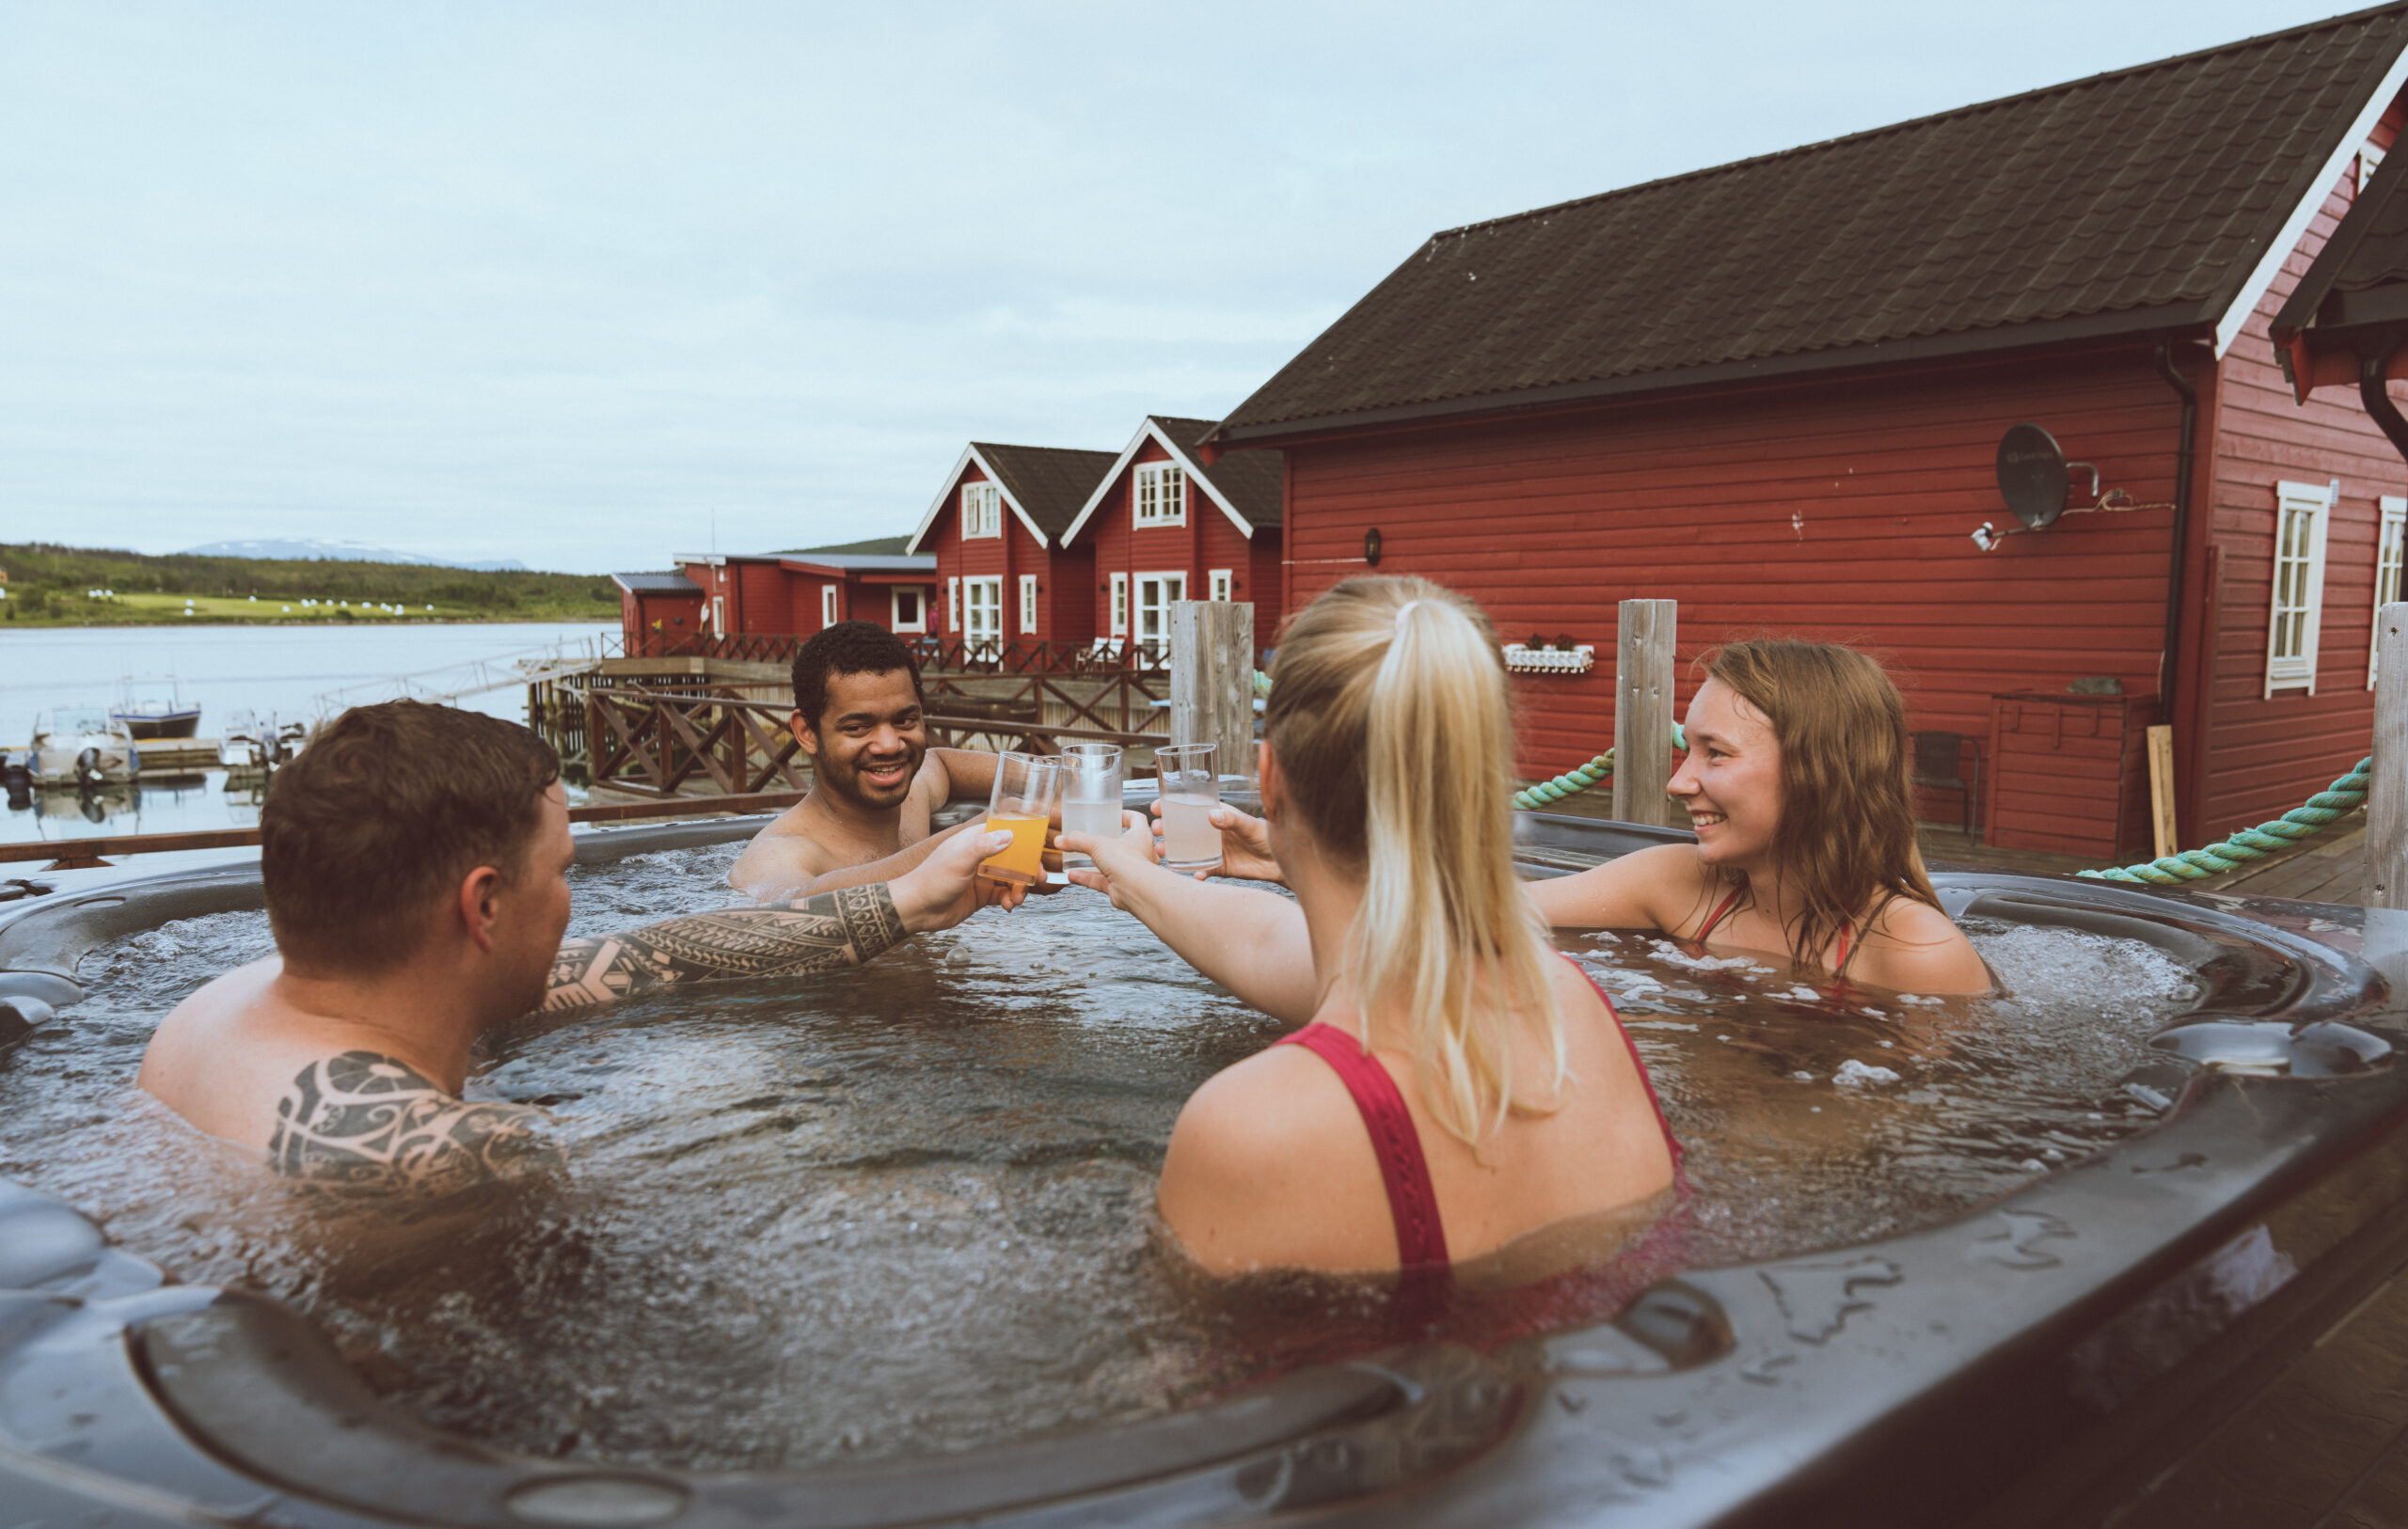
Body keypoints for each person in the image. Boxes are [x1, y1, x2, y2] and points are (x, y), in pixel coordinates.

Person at [137, 701, 1023, 1196]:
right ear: (483, 905)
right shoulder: (453, 1158)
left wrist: (908, 899)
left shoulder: (230, 1003)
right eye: (560, 874)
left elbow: (655, 956)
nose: (573, 903)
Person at [1062, 577, 1680, 1281]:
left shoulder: (1252, 1130)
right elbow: (1271, 943)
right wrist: (1133, 874)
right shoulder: (1576, 1005)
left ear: (1268, 780)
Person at [1170, 638, 1988, 995]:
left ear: (1818, 772)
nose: (1678, 782)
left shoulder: (1912, 953)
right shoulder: (1689, 886)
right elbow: (1482, 910)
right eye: (1686, 749)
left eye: (1714, 753)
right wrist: (1288, 860)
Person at [727, 622, 1013, 899]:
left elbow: (944, 766)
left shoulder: (913, 800)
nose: (889, 745)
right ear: (807, 733)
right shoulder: (780, 853)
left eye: (904, 720)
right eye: (857, 728)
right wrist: (974, 839)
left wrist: (1047, 787)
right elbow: (791, 908)